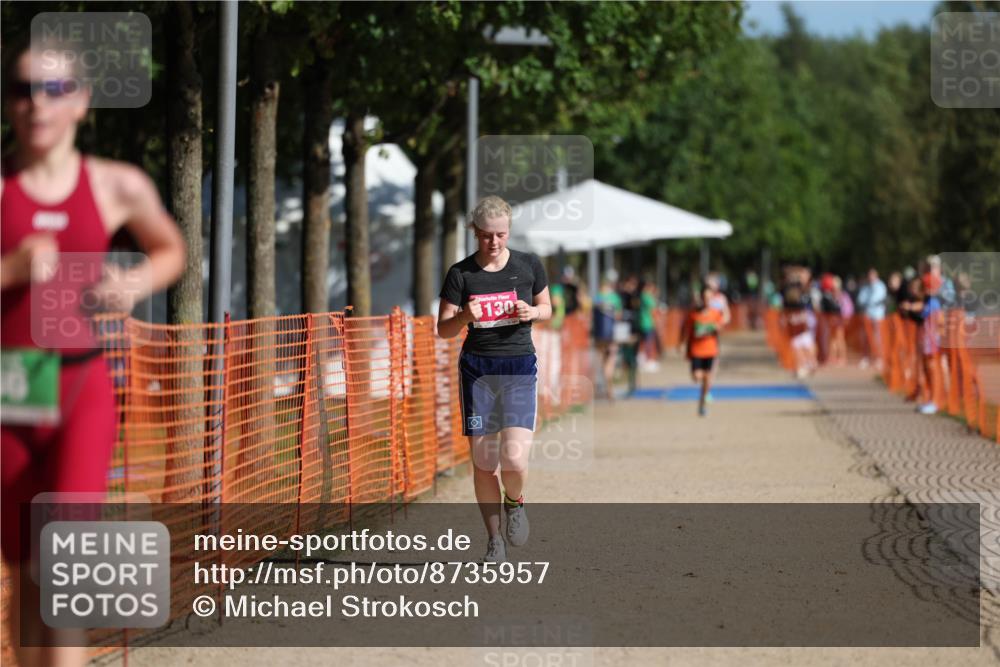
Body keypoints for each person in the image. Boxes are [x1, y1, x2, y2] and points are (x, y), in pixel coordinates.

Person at [1, 39, 185, 667]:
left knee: (68, 564)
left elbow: (169, 249)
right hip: (12, 390)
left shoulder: (115, 183)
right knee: (27, 568)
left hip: (83, 387)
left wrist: (133, 281)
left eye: (53, 89)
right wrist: (12, 269)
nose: (37, 105)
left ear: (79, 101)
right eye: (23, 90)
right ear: (8, 104)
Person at [436, 195, 551, 563]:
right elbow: (443, 329)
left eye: (500, 234)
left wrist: (531, 310)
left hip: (518, 368)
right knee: (485, 462)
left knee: (514, 461)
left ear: (509, 231)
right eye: (486, 235)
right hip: (478, 372)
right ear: (475, 232)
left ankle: (514, 503)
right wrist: (464, 317)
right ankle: (494, 539)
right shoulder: (460, 274)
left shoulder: (528, 265)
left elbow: (548, 308)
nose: (494, 242)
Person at [679, 286, 723, 417]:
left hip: (710, 350)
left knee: (707, 378)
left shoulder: (715, 313)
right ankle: (706, 382)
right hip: (696, 351)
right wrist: (681, 343)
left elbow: (720, 327)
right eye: (704, 298)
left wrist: (716, 327)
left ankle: (702, 403)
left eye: (709, 298)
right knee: (697, 377)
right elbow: (685, 329)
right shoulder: (693, 314)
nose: (706, 300)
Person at [591, 274, 622, 401]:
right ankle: (610, 389)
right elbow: (618, 316)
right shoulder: (615, 298)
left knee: (599, 361)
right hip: (611, 335)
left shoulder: (597, 298)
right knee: (610, 361)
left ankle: (595, 389)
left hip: (599, 336)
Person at [855, 268, 887, 370]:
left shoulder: (880, 286)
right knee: (866, 337)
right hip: (867, 316)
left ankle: (879, 358)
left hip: (877, 316)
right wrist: (867, 303)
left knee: (878, 337)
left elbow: (876, 299)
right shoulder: (865, 287)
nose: (870, 277)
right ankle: (866, 357)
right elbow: (860, 299)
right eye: (869, 275)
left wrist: (869, 303)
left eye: (872, 275)